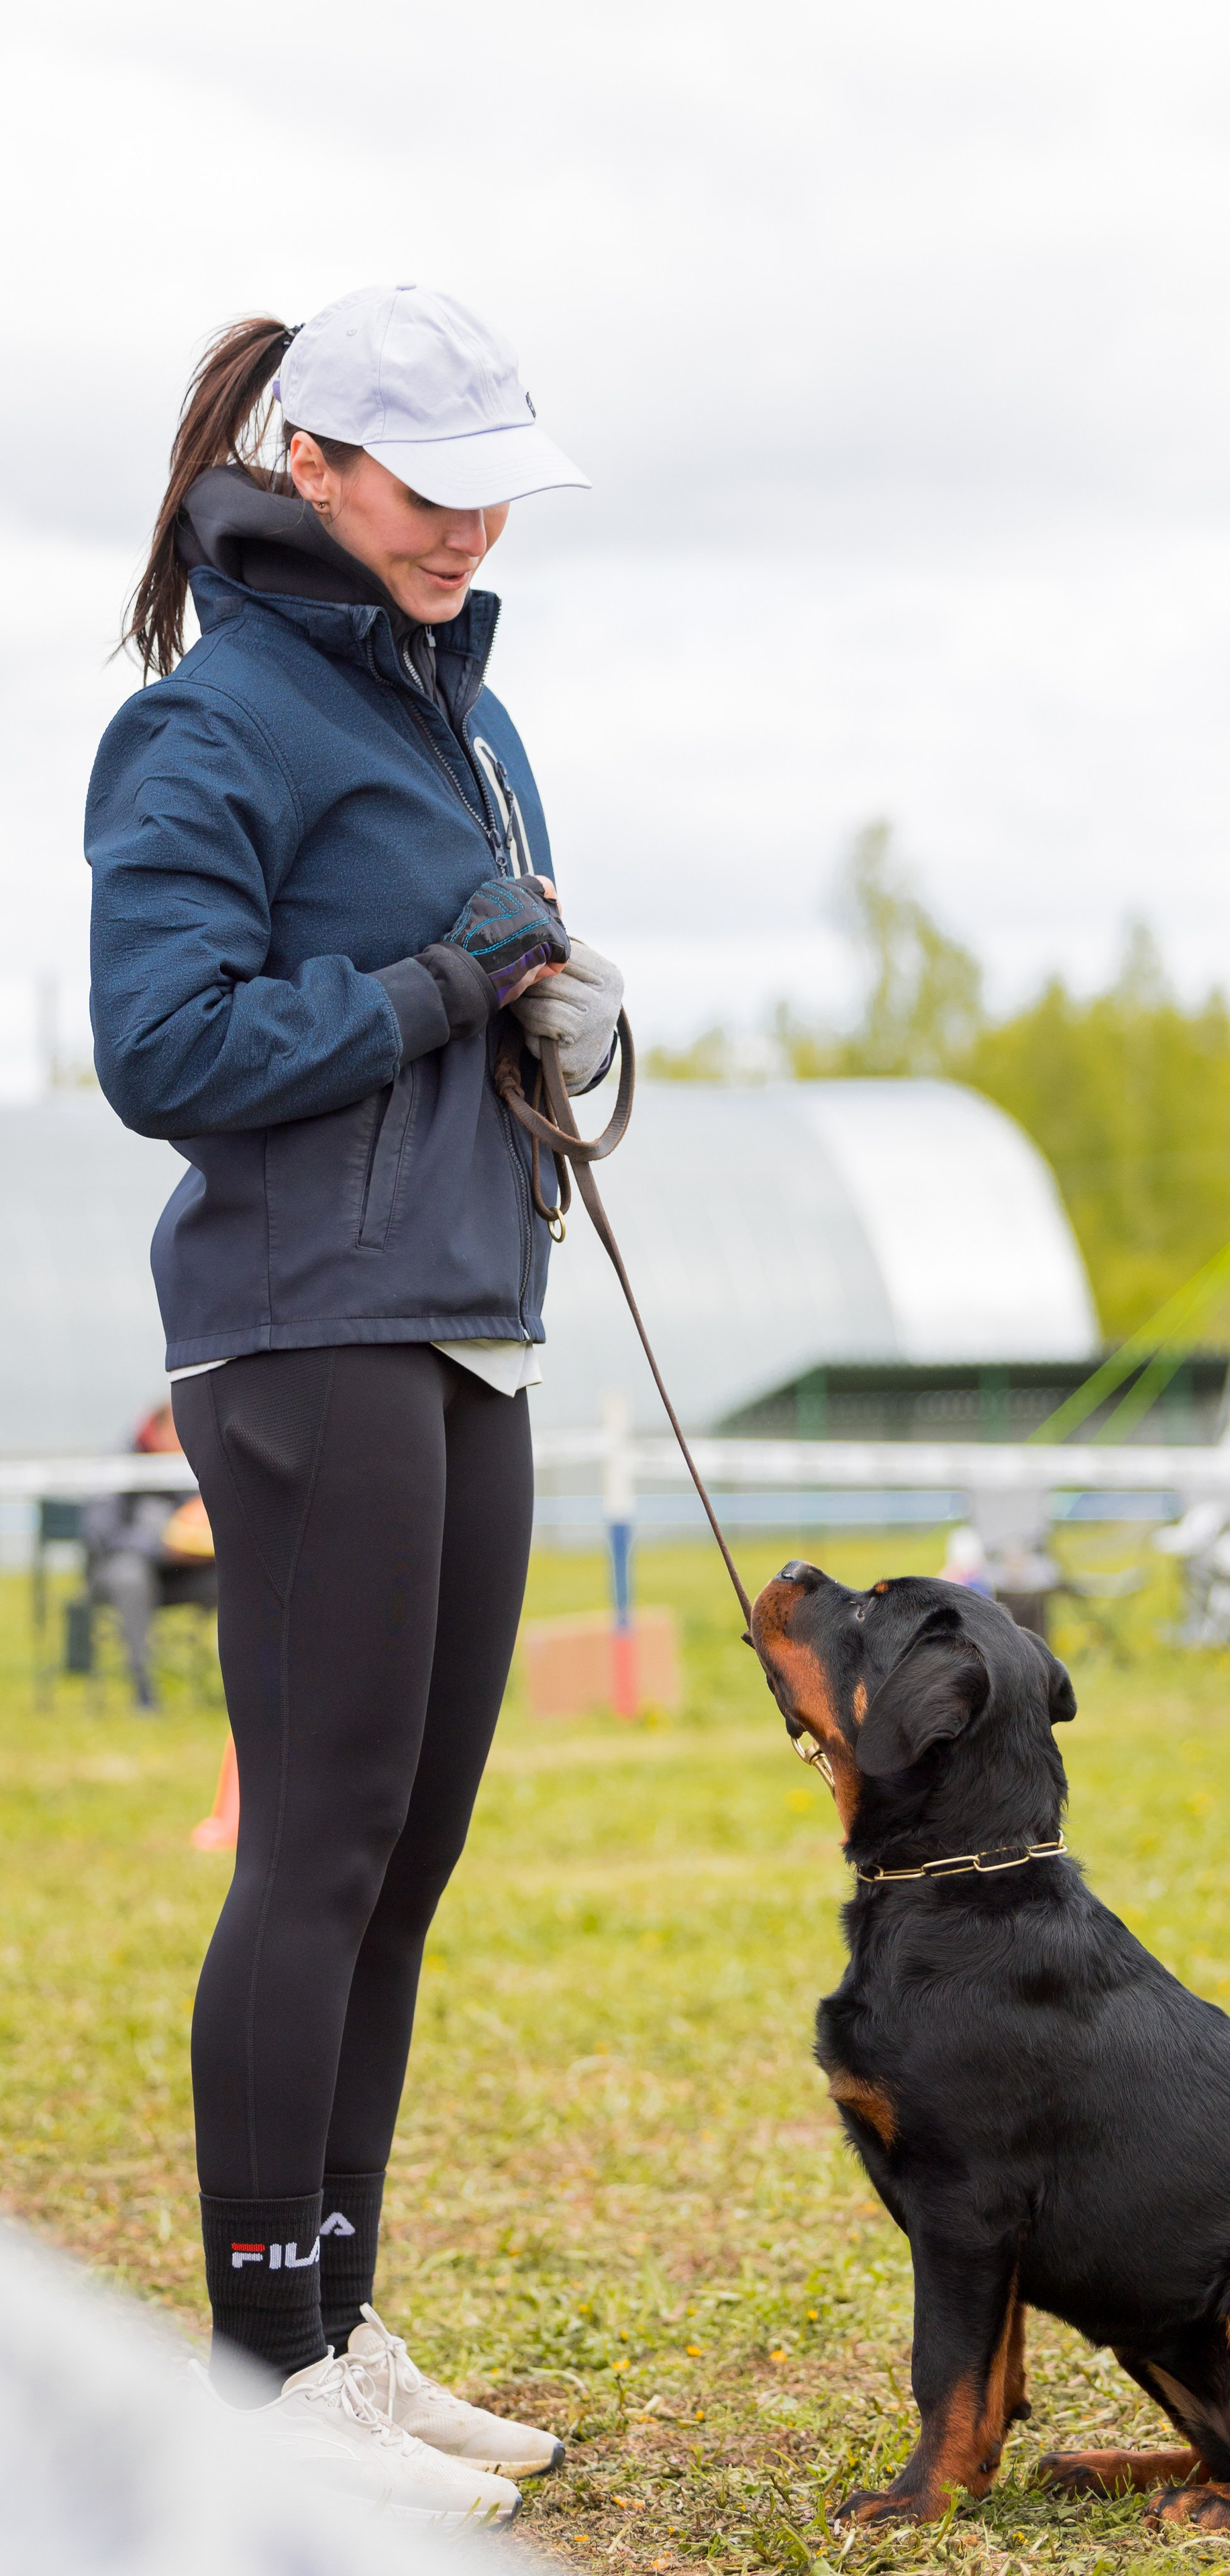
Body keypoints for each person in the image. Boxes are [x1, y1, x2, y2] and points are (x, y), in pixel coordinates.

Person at [87, 285, 623, 2522]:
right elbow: (164, 1043)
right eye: (429, 484)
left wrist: (566, 1013)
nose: (470, 524)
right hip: (306, 1323)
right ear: (312, 465)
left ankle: (339, 2315)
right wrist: (430, 986)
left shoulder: (466, 718)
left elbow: (491, 965)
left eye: (497, 485)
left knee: (408, 1849)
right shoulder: (208, 720)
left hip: (464, 1312)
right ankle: (260, 2368)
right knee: (316, 1840)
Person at [81, 1401, 218, 1712]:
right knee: (131, 1575)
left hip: (178, 1575)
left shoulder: (192, 1464)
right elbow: (102, 1533)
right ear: (158, 1428)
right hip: (119, 1575)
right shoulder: (120, 1462)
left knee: (236, 1575)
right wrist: (162, 1547)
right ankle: (143, 1690)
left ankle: (244, 1688)